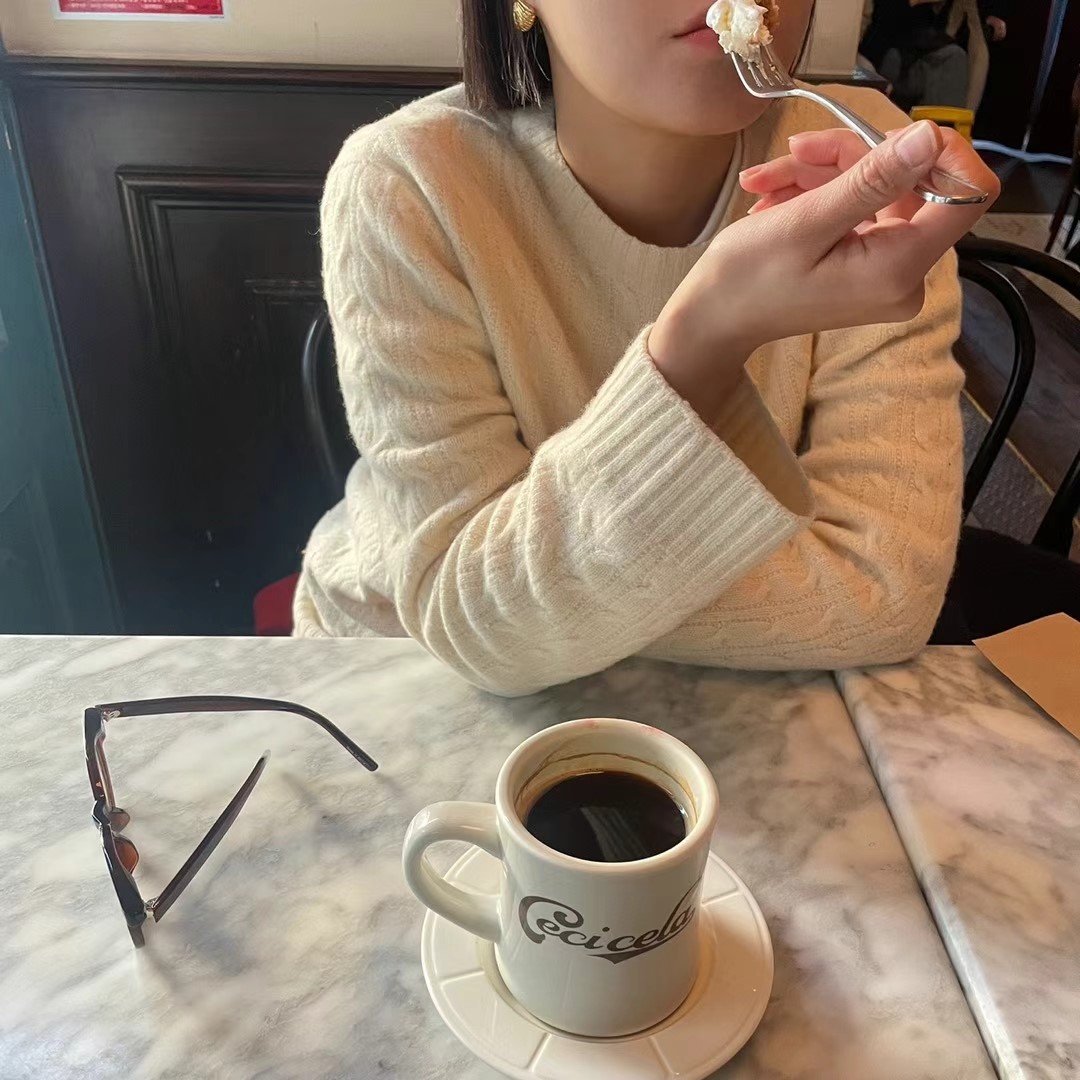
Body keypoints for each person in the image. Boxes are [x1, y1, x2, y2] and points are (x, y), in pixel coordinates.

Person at [294, 0, 1002, 695]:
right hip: (401, 682)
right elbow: (474, 621)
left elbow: (883, 592)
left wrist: (536, 598)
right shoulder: (409, 180)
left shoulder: (866, 157)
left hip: (739, 703)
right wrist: (709, 332)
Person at [861, 0, 1009, 111]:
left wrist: (985, 17)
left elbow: (973, 46)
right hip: (884, 59)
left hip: (922, 62)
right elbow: (876, 35)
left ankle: (944, 132)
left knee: (954, 58)